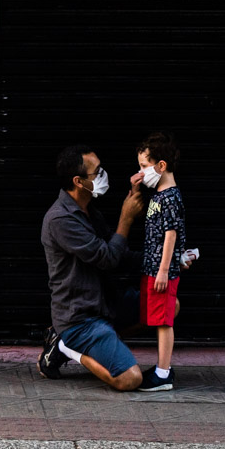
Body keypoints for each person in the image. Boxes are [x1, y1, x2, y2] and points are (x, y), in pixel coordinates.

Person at [38, 145, 152, 391]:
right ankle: (64, 346)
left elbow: (120, 254)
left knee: (165, 305)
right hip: (81, 318)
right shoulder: (61, 220)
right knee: (130, 379)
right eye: (97, 172)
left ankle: (104, 342)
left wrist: (165, 262)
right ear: (78, 181)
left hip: (107, 305)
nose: (103, 175)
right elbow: (107, 258)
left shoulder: (89, 212)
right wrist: (126, 217)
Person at [135, 131, 193, 392]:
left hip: (162, 272)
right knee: (157, 318)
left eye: (144, 166)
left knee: (164, 321)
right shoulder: (158, 194)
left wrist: (163, 271)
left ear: (161, 166)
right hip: (154, 268)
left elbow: (171, 234)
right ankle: (161, 369)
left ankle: (163, 373)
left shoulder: (170, 197)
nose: (141, 172)